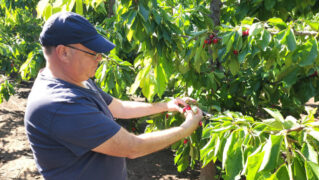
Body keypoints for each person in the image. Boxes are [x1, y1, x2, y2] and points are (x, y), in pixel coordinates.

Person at [24, 11, 203, 180]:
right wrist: (186, 128)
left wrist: (166, 106)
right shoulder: (58, 104)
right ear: (63, 52)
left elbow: (119, 107)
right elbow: (133, 147)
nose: (100, 58)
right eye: (93, 52)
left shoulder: (77, 81)